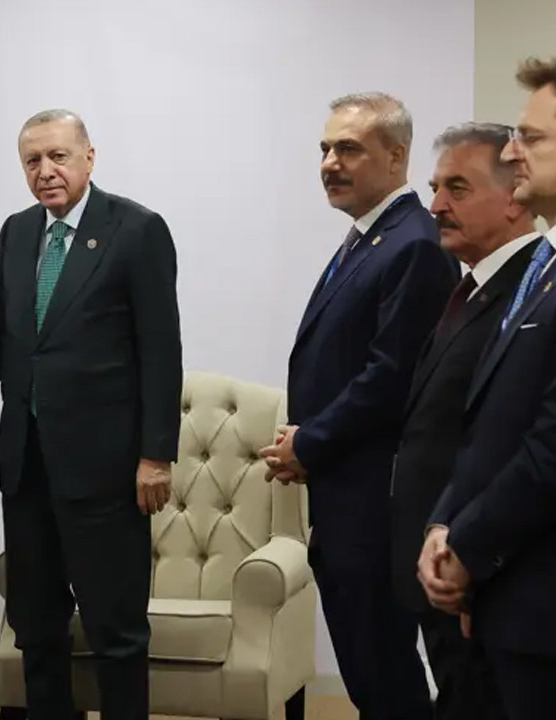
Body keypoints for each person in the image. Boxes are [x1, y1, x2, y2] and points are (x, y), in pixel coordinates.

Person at [0, 109, 182, 720]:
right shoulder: (17, 232)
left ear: (89, 157)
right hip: (26, 468)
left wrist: (157, 455)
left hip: (107, 472)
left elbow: (161, 351)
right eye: (32, 161)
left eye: (58, 156)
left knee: (116, 631)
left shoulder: (137, 229)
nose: (45, 171)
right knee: (36, 627)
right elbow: (0, 339)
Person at [260, 92, 458, 720]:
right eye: (325, 149)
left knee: (384, 675)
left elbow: (390, 376)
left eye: (348, 149)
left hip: (378, 501)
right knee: (370, 674)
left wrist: (310, 443)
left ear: (397, 156)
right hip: (345, 492)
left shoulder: (413, 243)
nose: (329, 163)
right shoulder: (370, 238)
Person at [419, 56, 556, 720]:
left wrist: (469, 548)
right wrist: (448, 525)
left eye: (532, 137)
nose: (511, 150)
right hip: (508, 594)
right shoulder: (545, 269)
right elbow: (491, 426)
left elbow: (549, 446)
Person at [390, 122, 538, 720]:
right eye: (435, 188)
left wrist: (469, 551)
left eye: (457, 188)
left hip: (480, 569)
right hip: (443, 557)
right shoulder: (475, 286)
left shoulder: (528, 290)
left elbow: (510, 440)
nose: (435, 207)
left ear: (514, 196)